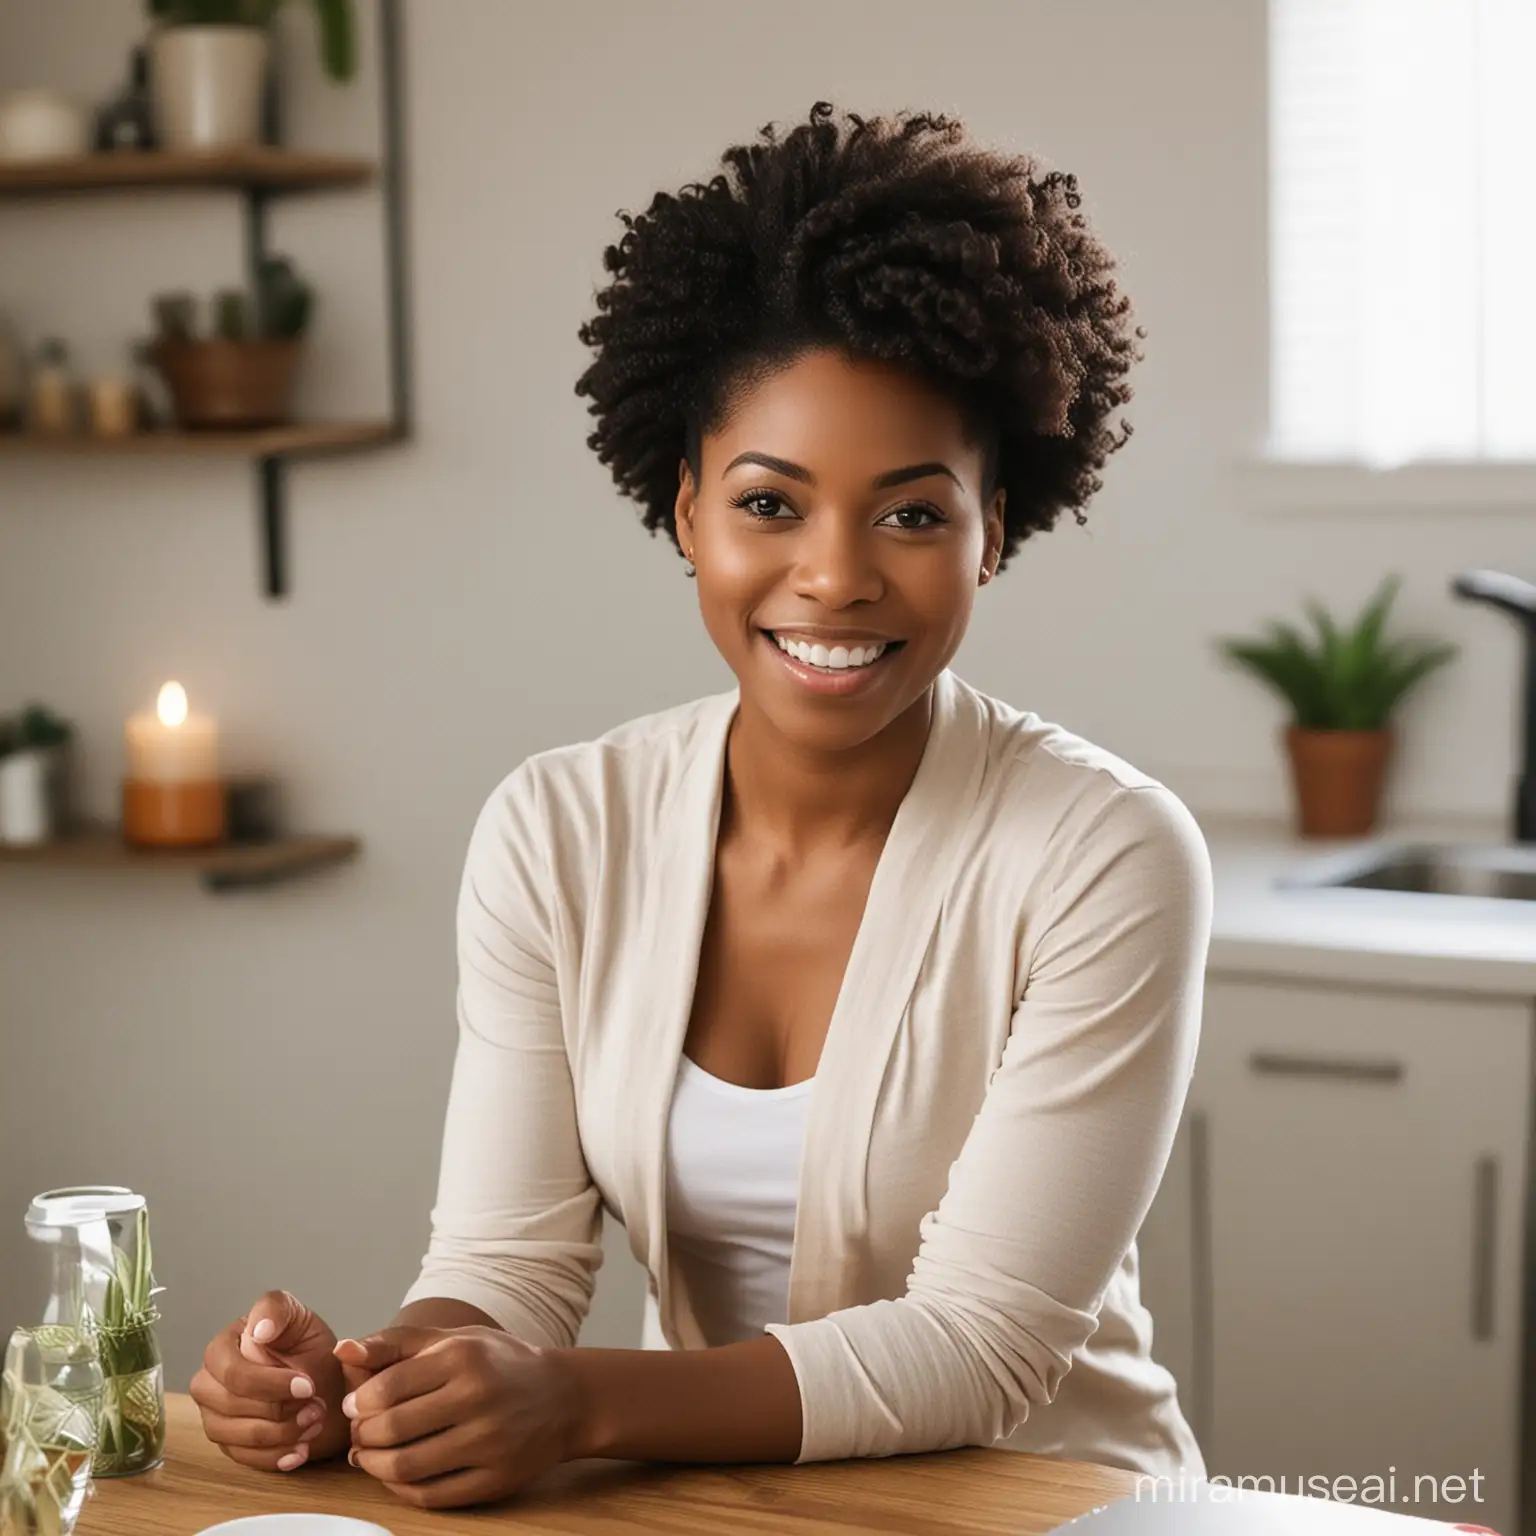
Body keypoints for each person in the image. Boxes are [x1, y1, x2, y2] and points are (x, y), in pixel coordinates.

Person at [190, 100, 1212, 1512]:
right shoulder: (558, 832)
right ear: (686, 514)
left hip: (1059, 1510)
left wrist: (585, 1402)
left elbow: (986, 1345)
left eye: (914, 514)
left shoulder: (1104, 854)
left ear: (998, 531)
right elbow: (507, 1269)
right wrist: (373, 1382)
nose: (837, 577)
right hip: (725, 1507)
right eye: (770, 505)